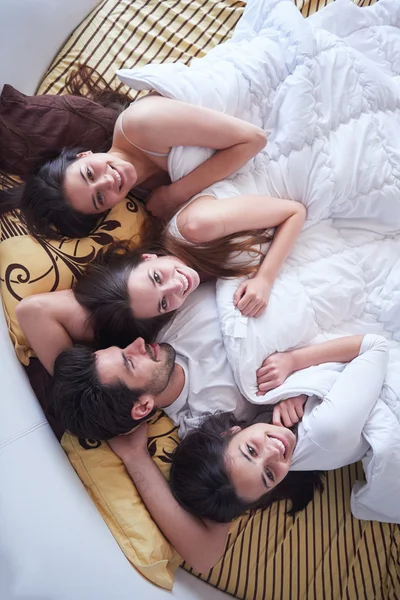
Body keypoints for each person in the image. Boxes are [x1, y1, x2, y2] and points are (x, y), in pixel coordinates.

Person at [108, 333, 393, 572]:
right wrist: (136, 459)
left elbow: (204, 557)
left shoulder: (243, 420)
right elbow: (376, 346)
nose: (274, 452)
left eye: (251, 450)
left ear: (230, 432)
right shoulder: (325, 431)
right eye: (269, 475)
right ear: (267, 491)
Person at [5, 65, 267, 239]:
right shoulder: (142, 197)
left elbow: (254, 139)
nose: (108, 181)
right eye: (99, 198)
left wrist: (174, 194)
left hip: (259, 88)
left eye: (88, 174)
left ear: (84, 154)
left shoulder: (140, 124)